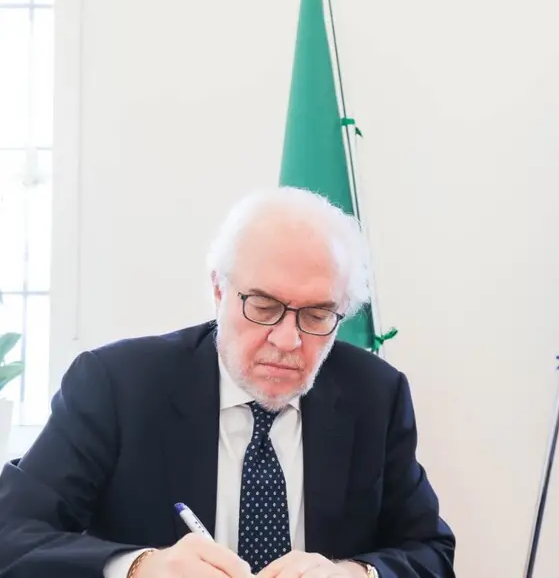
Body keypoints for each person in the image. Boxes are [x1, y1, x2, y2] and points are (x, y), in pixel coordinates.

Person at [0, 187, 456, 578]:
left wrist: (353, 574)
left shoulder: (375, 394)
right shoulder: (117, 385)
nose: (287, 340)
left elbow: (430, 551)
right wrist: (141, 567)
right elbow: (13, 533)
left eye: (317, 315)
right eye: (263, 306)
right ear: (219, 290)